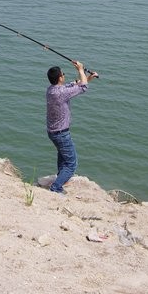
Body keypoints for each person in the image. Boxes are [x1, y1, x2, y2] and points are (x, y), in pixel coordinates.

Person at [45, 60, 98, 194]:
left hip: (53, 132)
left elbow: (74, 85)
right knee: (71, 164)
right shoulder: (61, 93)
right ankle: (56, 187)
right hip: (61, 133)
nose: (64, 75)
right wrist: (80, 69)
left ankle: (60, 181)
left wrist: (88, 78)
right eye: (63, 74)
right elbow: (83, 88)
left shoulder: (51, 90)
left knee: (63, 158)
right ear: (60, 78)